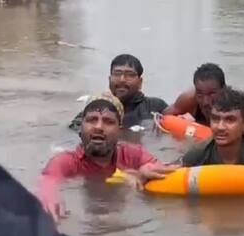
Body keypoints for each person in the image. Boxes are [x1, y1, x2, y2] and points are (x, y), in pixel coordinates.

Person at [42, 94, 177, 223]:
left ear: (120, 130)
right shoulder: (65, 162)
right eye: (92, 120)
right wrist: (50, 197)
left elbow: (163, 170)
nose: (98, 127)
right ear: (80, 127)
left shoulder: (133, 154)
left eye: (108, 121)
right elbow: (47, 183)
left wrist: (144, 174)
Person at [69, 54, 168, 130]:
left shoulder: (155, 106)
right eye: (117, 74)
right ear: (109, 79)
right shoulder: (95, 109)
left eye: (129, 74)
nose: (122, 79)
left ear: (140, 82)